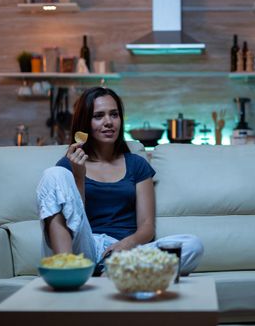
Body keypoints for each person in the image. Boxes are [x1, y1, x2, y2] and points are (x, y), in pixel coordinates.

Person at [36, 86, 203, 275]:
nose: (108, 122)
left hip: (127, 252)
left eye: (114, 115)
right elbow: (74, 220)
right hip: (84, 247)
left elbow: (147, 226)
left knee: (192, 246)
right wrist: (78, 175)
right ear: (85, 123)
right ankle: (67, 271)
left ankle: (109, 270)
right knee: (53, 173)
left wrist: (125, 245)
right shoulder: (70, 164)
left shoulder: (137, 165)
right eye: (99, 116)